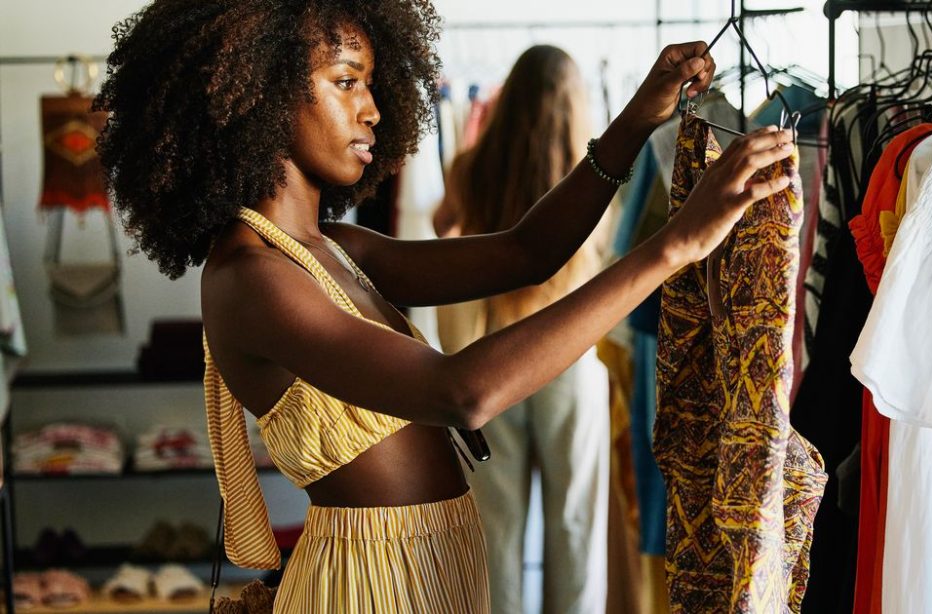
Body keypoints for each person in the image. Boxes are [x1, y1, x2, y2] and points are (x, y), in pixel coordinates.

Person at [94, 0, 795, 612]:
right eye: (346, 82)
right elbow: (463, 392)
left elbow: (528, 252)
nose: (372, 108)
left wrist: (636, 121)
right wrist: (675, 245)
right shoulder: (252, 278)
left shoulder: (335, 249)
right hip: (366, 587)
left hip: (435, 568)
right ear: (263, 94)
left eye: (371, 84)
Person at [433, 45, 612, 614]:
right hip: (569, 360)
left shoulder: (472, 168)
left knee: (497, 530)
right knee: (575, 527)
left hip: (497, 361)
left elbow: (441, 228)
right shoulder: (593, 177)